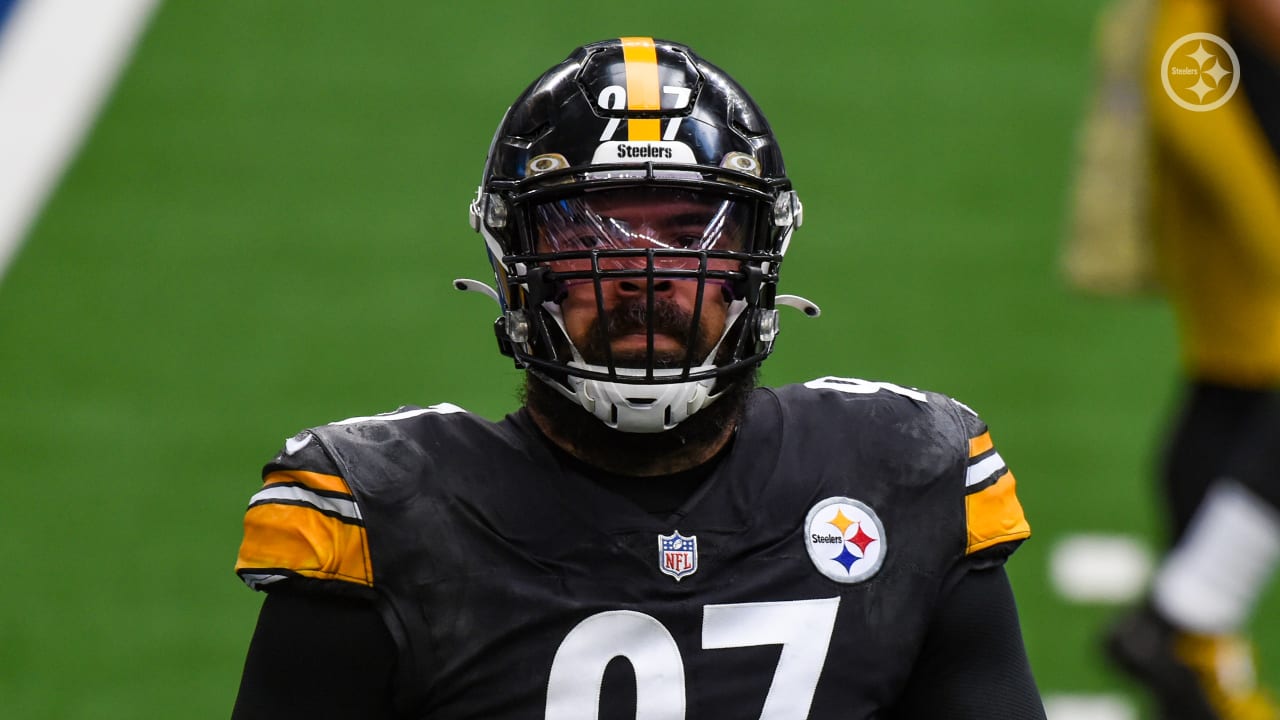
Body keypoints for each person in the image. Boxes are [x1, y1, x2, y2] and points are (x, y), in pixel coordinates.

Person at [231, 37, 1045, 719]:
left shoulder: (907, 474)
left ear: (755, 264)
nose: (645, 272)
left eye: (692, 231)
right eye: (589, 232)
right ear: (517, 267)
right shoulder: (384, 515)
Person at [1067, 0, 1280, 717]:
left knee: (1234, 395)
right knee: (1241, 387)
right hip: (1236, 142)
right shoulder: (1193, 44)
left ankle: (1196, 646)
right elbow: (1191, 103)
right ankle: (1188, 617)